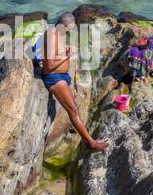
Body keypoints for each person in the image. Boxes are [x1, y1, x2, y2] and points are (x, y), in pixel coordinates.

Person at [31, 13, 108, 153]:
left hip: (62, 76)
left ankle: (87, 138)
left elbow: (55, 52)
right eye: (71, 28)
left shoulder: (58, 35)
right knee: (73, 111)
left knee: (75, 108)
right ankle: (91, 143)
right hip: (54, 77)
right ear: (66, 25)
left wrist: (66, 49)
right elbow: (48, 67)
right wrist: (68, 55)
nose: (72, 30)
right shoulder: (52, 35)